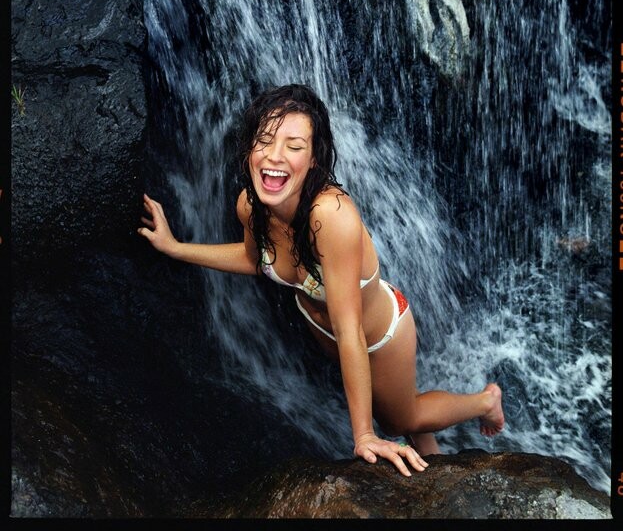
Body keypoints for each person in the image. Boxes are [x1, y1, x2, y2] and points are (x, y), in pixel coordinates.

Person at [138, 83, 504, 477]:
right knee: (401, 417)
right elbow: (252, 259)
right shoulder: (250, 205)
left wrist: (364, 436)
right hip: (327, 333)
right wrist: (176, 247)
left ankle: (485, 401)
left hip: (379, 334)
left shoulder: (331, 216)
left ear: (313, 158)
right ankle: (433, 460)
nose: (274, 156)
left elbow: (350, 331)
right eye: (265, 140)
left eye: (294, 146)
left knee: (400, 420)